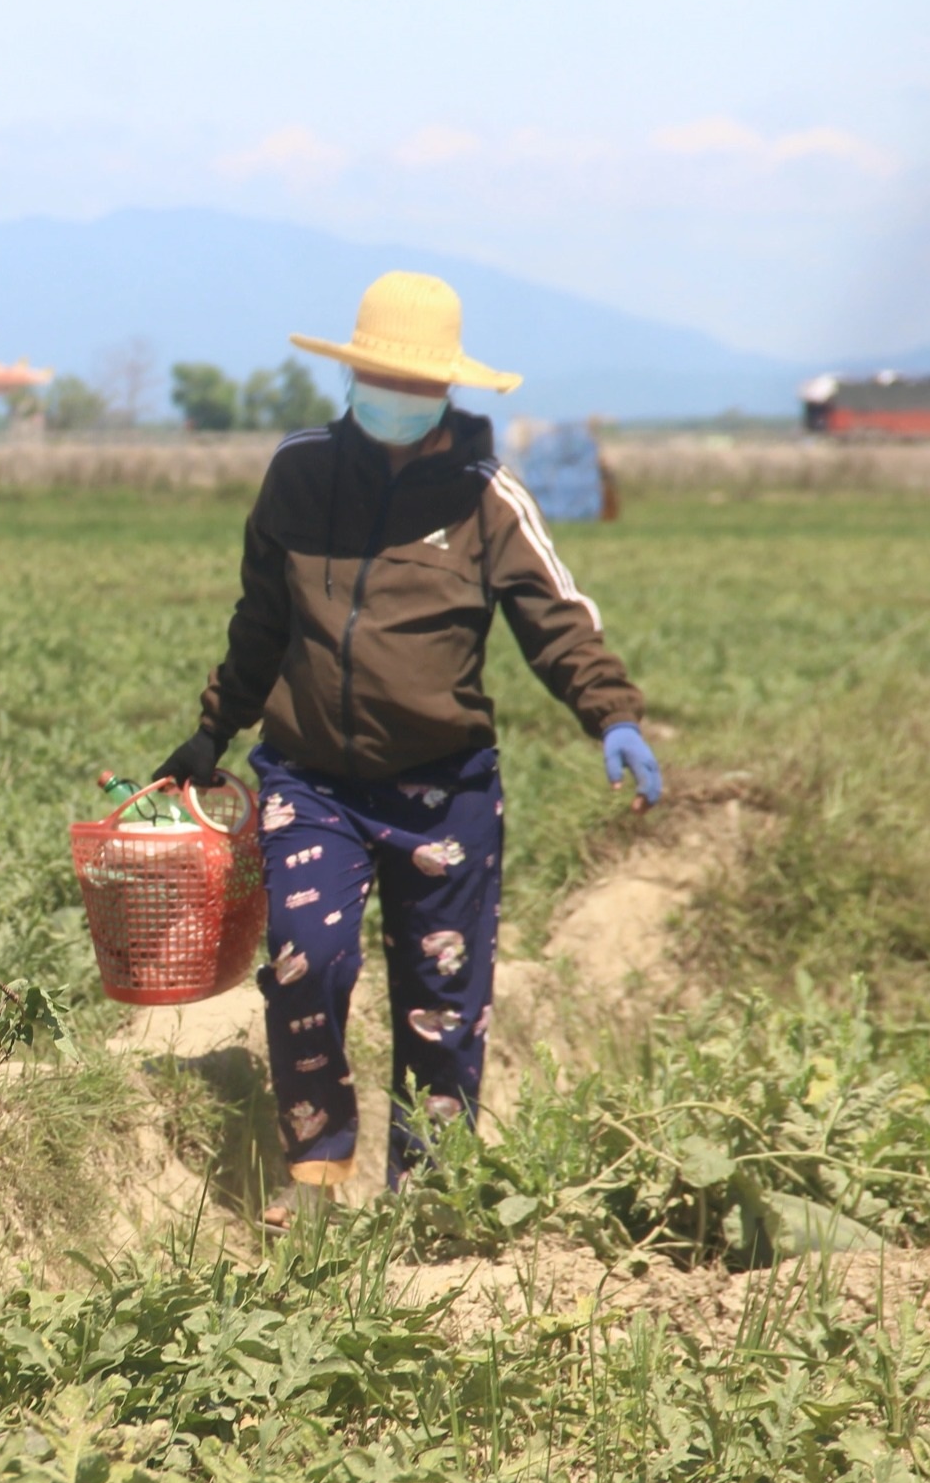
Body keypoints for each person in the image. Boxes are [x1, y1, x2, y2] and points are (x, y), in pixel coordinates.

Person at [155, 270, 662, 1226]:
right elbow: (261, 619)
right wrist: (213, 728)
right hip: (311, 781)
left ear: (447, 391)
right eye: (384, 377)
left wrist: (613, 713)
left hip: (445, 793)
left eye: (418, 383)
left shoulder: (487, 499)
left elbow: (557, 620)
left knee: (443, 1003)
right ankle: (315, 1173)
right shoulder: (298, 474)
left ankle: (431, 1203)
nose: (398, 395)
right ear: (356, 375)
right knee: (308, 959)